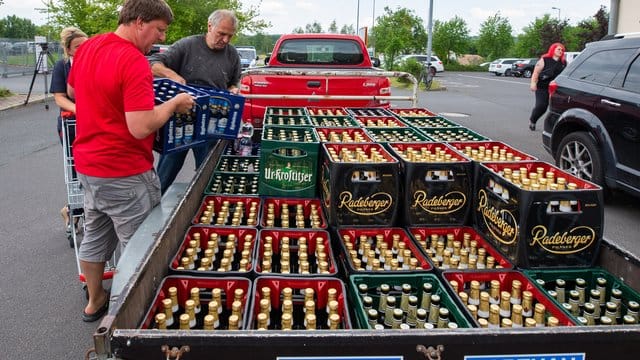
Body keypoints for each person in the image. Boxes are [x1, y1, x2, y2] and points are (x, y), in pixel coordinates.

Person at [67, 0, 194, 322]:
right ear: (139, 22)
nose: (162, 39)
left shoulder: (89, 46)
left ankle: (94, 301)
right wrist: (174, 104)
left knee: (95, 235)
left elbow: (73, 89)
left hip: (88, 164)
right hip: (124, 169)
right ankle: (133, 319)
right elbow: (141, 127)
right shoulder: (134, 61)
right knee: (140, 247)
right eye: (159, 30)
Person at [148, 9, 242, 194]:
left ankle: (204, 212)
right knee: (165, 174)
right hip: (181, 119)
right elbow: (152, 62)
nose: (225, 40)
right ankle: (152, 211)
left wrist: (233, 89)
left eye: (229, 36)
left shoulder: (232, 54)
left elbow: (234, 81)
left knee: (208, 176)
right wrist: (172, 74)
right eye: (221, 34)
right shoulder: (188, 45)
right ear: (209, 26)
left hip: (212, 121)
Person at [49, 26, 88, 236]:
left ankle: (79, 210)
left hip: (93, 122)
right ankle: (73, 210)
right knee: (76, 171)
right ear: (69, 50)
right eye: (78, 47)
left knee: (92, 169)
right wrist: (79, 109)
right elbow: (59, 97)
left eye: (85, 45)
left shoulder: (94, 64)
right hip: (71, 122)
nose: (83, 49)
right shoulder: (62, 66)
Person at [528, 42, 566, 131]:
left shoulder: (563, 63)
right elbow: (536, 72)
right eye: (558, 49)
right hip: (542, 87)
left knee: (555, 109)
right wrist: (533, 83)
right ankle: (532, 120)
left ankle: (553, 129)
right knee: (541, 106)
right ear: (553, 49)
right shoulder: (544, 60)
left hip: (555, 89)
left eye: (562, 50)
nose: (560, 51)